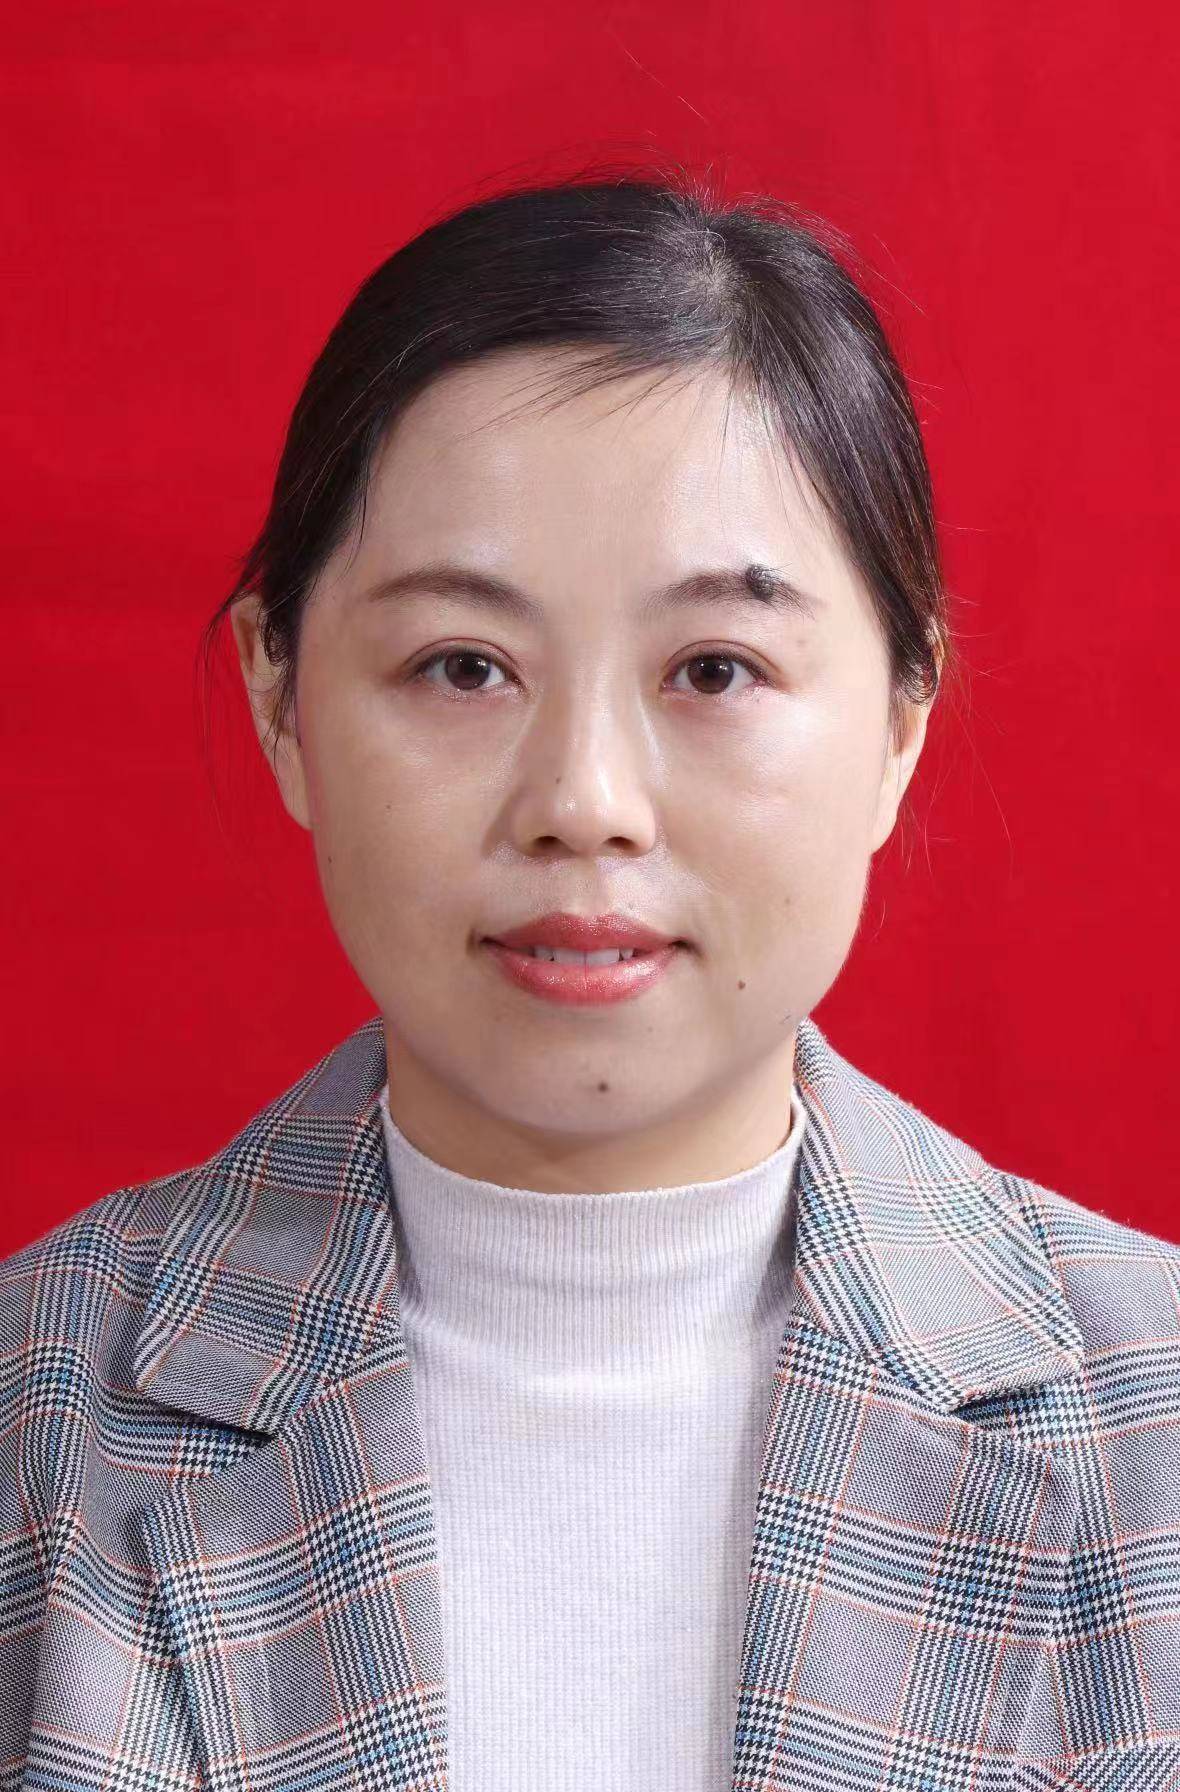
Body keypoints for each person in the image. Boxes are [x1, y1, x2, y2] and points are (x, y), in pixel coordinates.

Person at [2, 171, 1178, 1792]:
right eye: (463, 667)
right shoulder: (35, 1419)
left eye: (715, 670)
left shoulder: (1152, 1425)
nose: (584, 802)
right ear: (283, 701)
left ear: (902, 723)